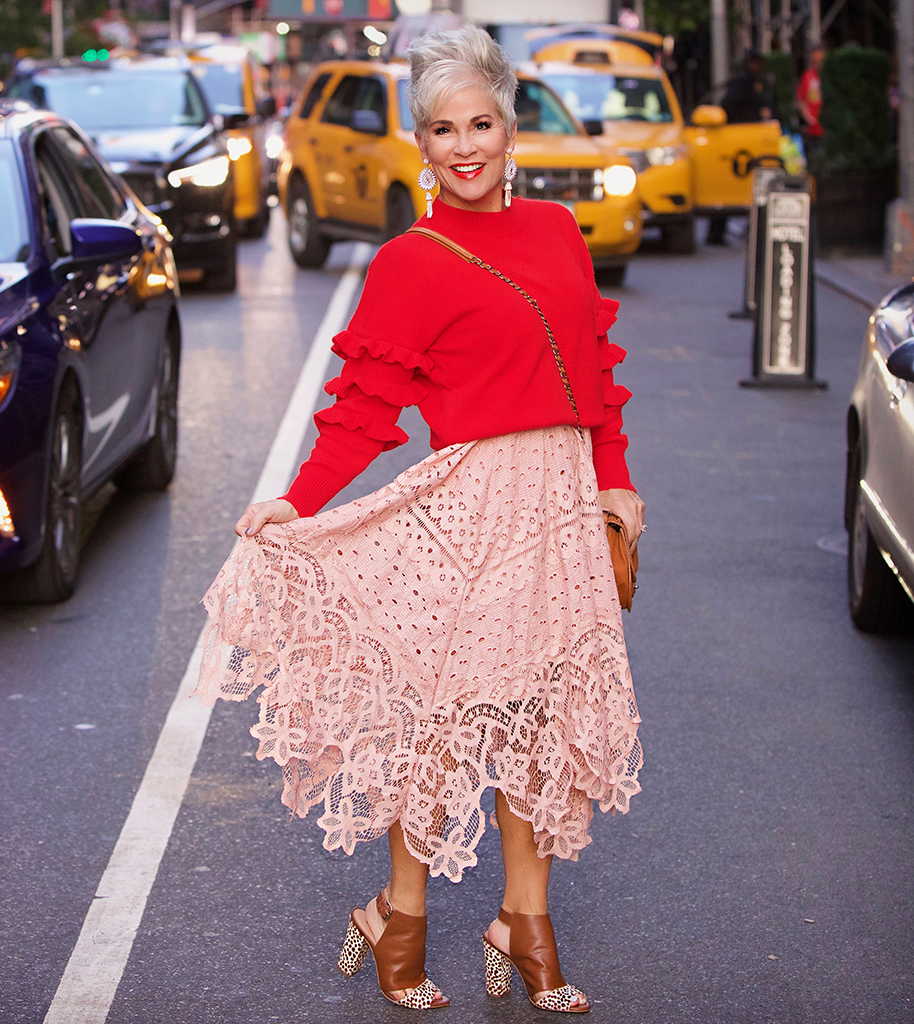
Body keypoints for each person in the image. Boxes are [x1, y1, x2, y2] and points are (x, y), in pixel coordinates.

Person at [195, 24, 644, 1014]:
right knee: (444, 729)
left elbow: (595, 382)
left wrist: (614, 482)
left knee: (540, 727)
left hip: (563, 513)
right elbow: (363, 406)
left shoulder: (558, 234)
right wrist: (299, 501)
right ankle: (397, 915)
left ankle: (523, 924)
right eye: (442, 130)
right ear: (422, 141)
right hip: (472, 516)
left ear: (509, 128)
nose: (464, 146)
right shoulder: (411, 257)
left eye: (480, 122)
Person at [708, 49, 779, 244]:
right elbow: (728, 104)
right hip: (739, 141)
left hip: (751, 141)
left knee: (749, 188)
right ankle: (717, 233)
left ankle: (749, 229)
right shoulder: (743, 83)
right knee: (727, 188)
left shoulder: (759, 82)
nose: (759, 67)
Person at [796, 46, 825, 152]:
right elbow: (800, 100)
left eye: (820, 61)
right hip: (812, 131)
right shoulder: (807, 76)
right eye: (814, 61)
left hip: (829, 130)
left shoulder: (830, 77)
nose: (818, 64)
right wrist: (809, 117)